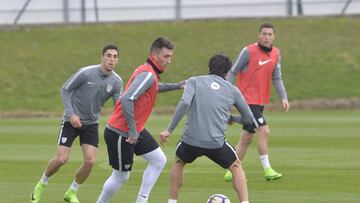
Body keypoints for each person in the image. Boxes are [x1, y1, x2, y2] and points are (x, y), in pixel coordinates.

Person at [96, 37, 185, 203]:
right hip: (121, 132)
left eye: (170, 57)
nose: (169, 61)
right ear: (154, 55)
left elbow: (153, 88)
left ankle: (141, 201)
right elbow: (127, 99)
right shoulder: (148, 74)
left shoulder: (149, 72)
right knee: (121, 176)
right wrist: (132, 130)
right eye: (166, 56)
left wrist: (178, 85)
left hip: (135, 129)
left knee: (159, 160)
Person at [30, 44, 123, 203]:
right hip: (70, 121)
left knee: (90, 161)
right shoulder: (86, 72)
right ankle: (41, 184)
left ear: (117, 60)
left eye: (115, 57)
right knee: (61, 159)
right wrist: (70, 114)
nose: (111, 59)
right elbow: (65, 90)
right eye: (108, 56)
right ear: (102, 57)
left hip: (91, 124)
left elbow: (118, 106)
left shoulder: (116, 81)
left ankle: (71, 192)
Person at [159, 53, 256, 203]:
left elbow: (184, 103)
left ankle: (172, 201)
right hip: (215, 143)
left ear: (209, 68)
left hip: (190, 141)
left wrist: (169, 130)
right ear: (227, 73)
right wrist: (232, 118)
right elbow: (249, 119)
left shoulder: (194, 81)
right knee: (236, 166)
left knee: (179, 161)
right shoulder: (232, 90)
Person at [224, 23, 290, 182]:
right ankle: (267, 169)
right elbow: (233, 70)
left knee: (247, 137)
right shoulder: (248, 51)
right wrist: (225, 91)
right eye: (264, 34)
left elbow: (277, 77)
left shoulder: (276, 53)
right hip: (246, 100)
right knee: (264, 130)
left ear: (274, 36)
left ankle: (230, 170)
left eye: (270, 34)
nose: (267, 37)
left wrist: (283, 97)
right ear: (258, 35)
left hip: (260, 101)